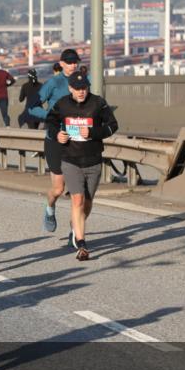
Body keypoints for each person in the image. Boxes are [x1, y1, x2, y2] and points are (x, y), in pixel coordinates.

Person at [44, 71, 118, 261]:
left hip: (93, 160)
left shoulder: (98, 103)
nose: (81, 92)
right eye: (77, 89)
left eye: (84, 88)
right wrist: (56, 134)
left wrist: (93, 132)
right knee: (77, 200)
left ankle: (75, 228)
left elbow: (113, 125)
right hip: (70, 160)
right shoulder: (62, 104)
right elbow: (50, 122)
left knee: (87, 202)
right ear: (70, 88)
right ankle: (81, 242)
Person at [28, 48, 82, 235]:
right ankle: (50, 209)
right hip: (55, 139)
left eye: (75, 62)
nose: (73, 65)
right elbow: (32, 108)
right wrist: (51, 116)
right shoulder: (53, 83)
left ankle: (75, 233)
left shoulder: (83, 81)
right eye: (69, 62)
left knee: (78, 192)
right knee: (59, 189)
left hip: (77, 140)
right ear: (61, 63)